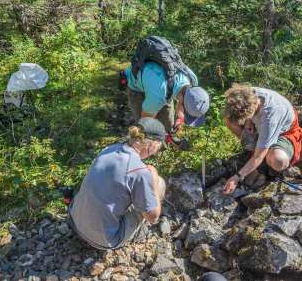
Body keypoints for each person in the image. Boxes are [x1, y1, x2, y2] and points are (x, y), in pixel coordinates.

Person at [69, 118, 167, 250]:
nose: (156, 152)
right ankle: (136, 234)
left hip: (75, 220)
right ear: (152, 145)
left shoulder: (109, 149)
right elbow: (153, 217)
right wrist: (153, 177)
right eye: (159, 148)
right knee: (158, 183)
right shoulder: (139, 171)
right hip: (105, 240)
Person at [222, 84, 302, 195]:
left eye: (246, 117)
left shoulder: (270, 117)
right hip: (260, 126)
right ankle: (256, 146)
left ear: (251, 110)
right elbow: (242, 111)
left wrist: (236, 177)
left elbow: (258, 157)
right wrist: (248, 121)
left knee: (278, 161)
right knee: (229, 120)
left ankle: (268, 151)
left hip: (284, 133)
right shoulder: (247, 94)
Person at [123, 36, 210, 132]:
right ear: (182, 101)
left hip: (163, 87)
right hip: (137, 88)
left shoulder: (192, 80)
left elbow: (180, 100)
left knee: (168, 126)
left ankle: (166, 139)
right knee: (146, 129)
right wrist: (153, 128)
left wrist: (180, 119)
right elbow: (146, 121)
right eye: (186, 114)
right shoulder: (159, 95)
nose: (185, 117)